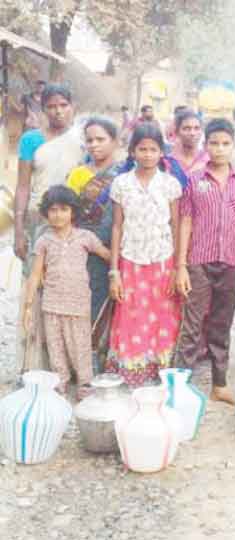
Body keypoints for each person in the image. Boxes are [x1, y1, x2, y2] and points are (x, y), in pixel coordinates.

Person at [174, 118, 235, 404]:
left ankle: (219, 384)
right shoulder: (195, 181)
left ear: (234, 145)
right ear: (205, 145)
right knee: (192, 324)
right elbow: (185, 221)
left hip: (231, 261)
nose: (219, 149)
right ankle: (179, 385)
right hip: (198, 261)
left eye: (225, 143)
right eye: (213, 143)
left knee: (222, 323)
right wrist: (181, 266)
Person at [13, 84, 84, 374]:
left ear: (72, 106)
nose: (58, 111)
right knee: (36, 288)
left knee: (68, 289)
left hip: (73, 224)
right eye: (51, 106)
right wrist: (18, 229)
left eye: (63, 105)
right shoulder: (31, 140)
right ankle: (34, 366)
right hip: (38, 222)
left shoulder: (82, 140)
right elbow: (23, 186)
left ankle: (68, 364)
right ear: (43, 109)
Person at [106, 123, 183, 388]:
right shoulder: (121, 184)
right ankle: (132, 370)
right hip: (131, 259)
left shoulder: (170, 185)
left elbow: (175, 224)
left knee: (163, 314)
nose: (148, 154)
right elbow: (117, 226)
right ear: (132, 151)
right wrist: (114, 271)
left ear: (162, 152)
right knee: (131, 314)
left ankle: (160, 369)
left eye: (153, 149)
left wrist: (177, 267)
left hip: (163, 259)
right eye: (142, 149)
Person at [24, 185, 109, 398]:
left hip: (79, 302)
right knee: (55, 345)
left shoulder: (85, 237)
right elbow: (35, 274)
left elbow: (107, 255)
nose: (58, 215)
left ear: (73, 211)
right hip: (52, 303)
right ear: (46, 213)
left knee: (79, 343)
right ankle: (59, 382)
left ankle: (85, 383)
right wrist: (27, 305)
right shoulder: (44, 241)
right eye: (52, 210)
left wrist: (122, 268)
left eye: (63, 209)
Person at [66, 118, 124, 374]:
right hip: (84, 248)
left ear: (114, 141)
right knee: (87, 302)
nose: (94, 145)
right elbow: (68, 212)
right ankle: (85, 362)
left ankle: (111, 361)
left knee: (117, 303)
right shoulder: (78, 173)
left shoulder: (125, 173)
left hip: (119, 246)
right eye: (89, 140)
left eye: (101, 139)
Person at [167, 110, 209, 188]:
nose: (192, 133)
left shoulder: (208, 160)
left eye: (197, 128)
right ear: (177, 132)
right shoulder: (168, 162)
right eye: (186, 128)